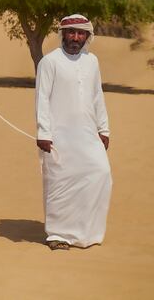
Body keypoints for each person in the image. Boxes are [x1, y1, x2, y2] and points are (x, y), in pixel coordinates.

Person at [35, 13, 112, 250]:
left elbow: (97, 96)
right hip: (59, 135)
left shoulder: (92, 61)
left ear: (87, 36)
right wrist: (44, 133)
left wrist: (104, 128)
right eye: (71, 32)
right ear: (62, 35)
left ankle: (86, 232)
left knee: (101, 173)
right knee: (61, 183)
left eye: (80, 33)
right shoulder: (49, 62)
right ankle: (58, 235)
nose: (75, 37)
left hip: (88, 132)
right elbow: (42, 99)